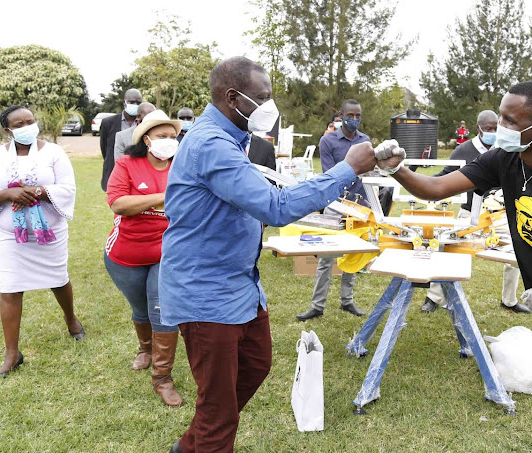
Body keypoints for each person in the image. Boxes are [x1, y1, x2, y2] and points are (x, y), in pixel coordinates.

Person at [159, 56, 390, 453]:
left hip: (240, 288)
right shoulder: (210, 144)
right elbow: (275, 207)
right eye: (263, 97)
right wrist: (346, 170)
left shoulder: (235, 139)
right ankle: (202, 441)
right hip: (206, 294)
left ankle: (190, 445)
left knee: (255, 364)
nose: (270, 106)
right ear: (233, 97)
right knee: (219, 414)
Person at [384, 80, 532, 452]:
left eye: (510, 120)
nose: (499, 126)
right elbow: (436, 188)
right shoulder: (505, 159)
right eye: (500, 115)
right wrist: (398, 169)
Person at [0, 105, 83, 380]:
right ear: (8, 130)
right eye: (19, 124)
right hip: (9, 236)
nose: (27, 127)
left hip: (49, 233)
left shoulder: (54, 152)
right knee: (10, 288)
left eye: (30, 121)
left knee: (58, 279)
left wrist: (37, 191)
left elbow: (68, 189)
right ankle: (12, 353)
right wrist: (9, 193)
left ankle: (71, 319)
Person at [104, 109, 184, 406]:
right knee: (141, 310)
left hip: (168, 252)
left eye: (173, 136)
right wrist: (162, 197)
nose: (169, 141)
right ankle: (146, 349)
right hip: (125, 253)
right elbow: (119, 204)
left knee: (162, 309)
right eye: (162, 136)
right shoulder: (127, 164)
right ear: (147, 140)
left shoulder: (182, 167)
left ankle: (162, 378)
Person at [422, 110, 529, 314]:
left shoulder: (507, 148)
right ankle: (434, 297)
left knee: (515, 253)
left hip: (501, 214)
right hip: (469, 212)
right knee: (449, 251)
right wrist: (425, 184)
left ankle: (509, 299)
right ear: (478, 128)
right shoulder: (463, 150)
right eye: (488, 129)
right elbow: (445, 175)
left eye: (496, 128)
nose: (493, 132)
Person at [296, 99, 368, 321]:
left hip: (359, 206)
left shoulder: (365, 141)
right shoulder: (328, 141)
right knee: (326, 258)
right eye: (350, 115)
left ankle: (348, 301)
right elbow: (330, 174)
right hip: (335, 203)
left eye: (358, 116)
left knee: (353, 254)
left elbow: (368, 170)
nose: (354, 119)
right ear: (341, 114)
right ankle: (317, 305)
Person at [100, 88, 142, 191]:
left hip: (138, 173)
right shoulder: (108, 122)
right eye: (132, 102)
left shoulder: (144, 123)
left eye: (138, 102)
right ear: (125, 102)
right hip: (114, 171)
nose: (135, 105)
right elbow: (104, 148)